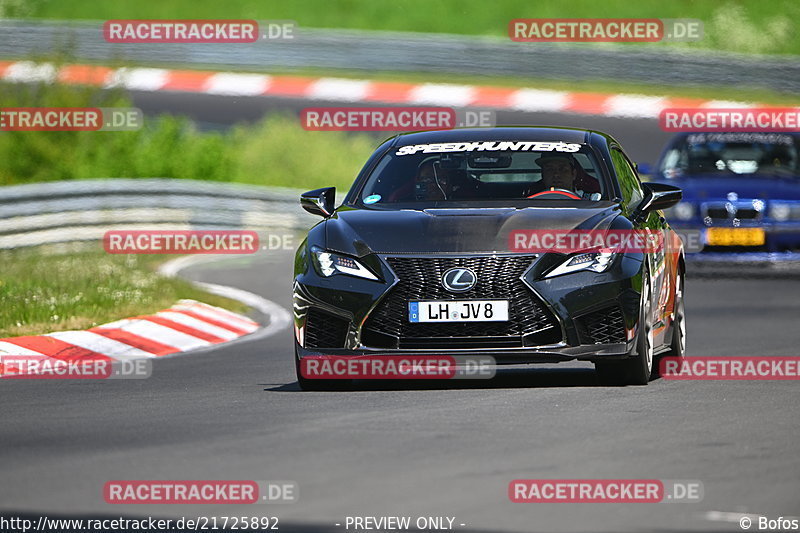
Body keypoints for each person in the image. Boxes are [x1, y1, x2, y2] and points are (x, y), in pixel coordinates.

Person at [526, 153, 601, 199]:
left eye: (562, 169)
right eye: (549, 169)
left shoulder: (593, 200)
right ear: (542, 174)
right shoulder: (529, 203)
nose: (556, 174)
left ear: (574, 174)